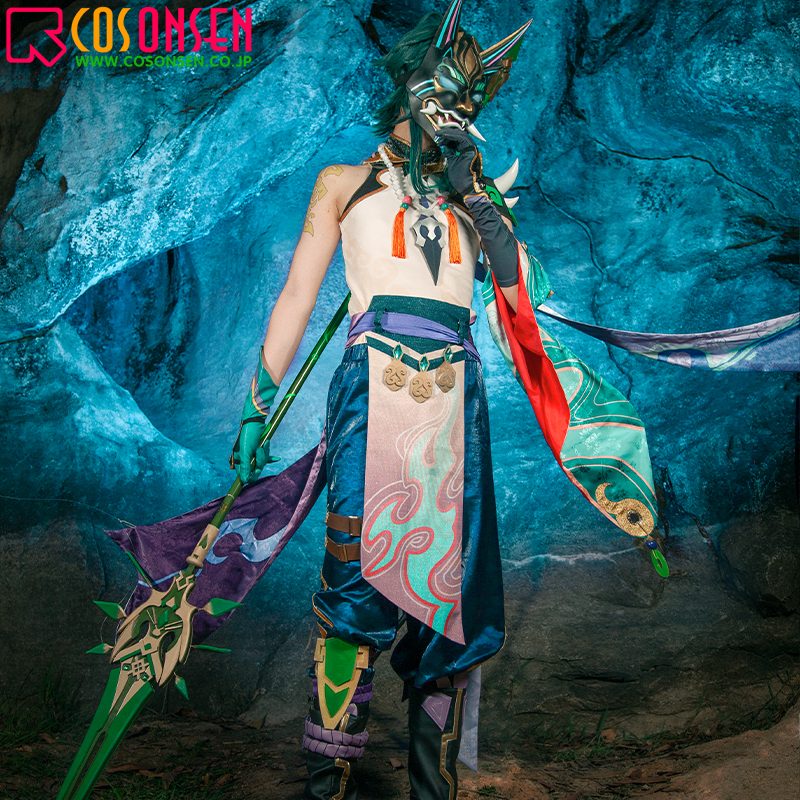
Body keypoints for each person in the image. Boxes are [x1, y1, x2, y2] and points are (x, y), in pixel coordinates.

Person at [228, 3, 613, 799]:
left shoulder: (477, 200)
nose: (454, 110)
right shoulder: (342, 183)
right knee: (353, 586)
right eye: (442, 91)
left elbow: (515, 287)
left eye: (467, 101)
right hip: (371, 395)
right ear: (407, 85)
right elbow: (296, 298)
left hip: (454, 404)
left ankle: (432, 791)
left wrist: (474, 192)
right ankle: (326, 787)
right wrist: (256, 407)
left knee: (451, 600)